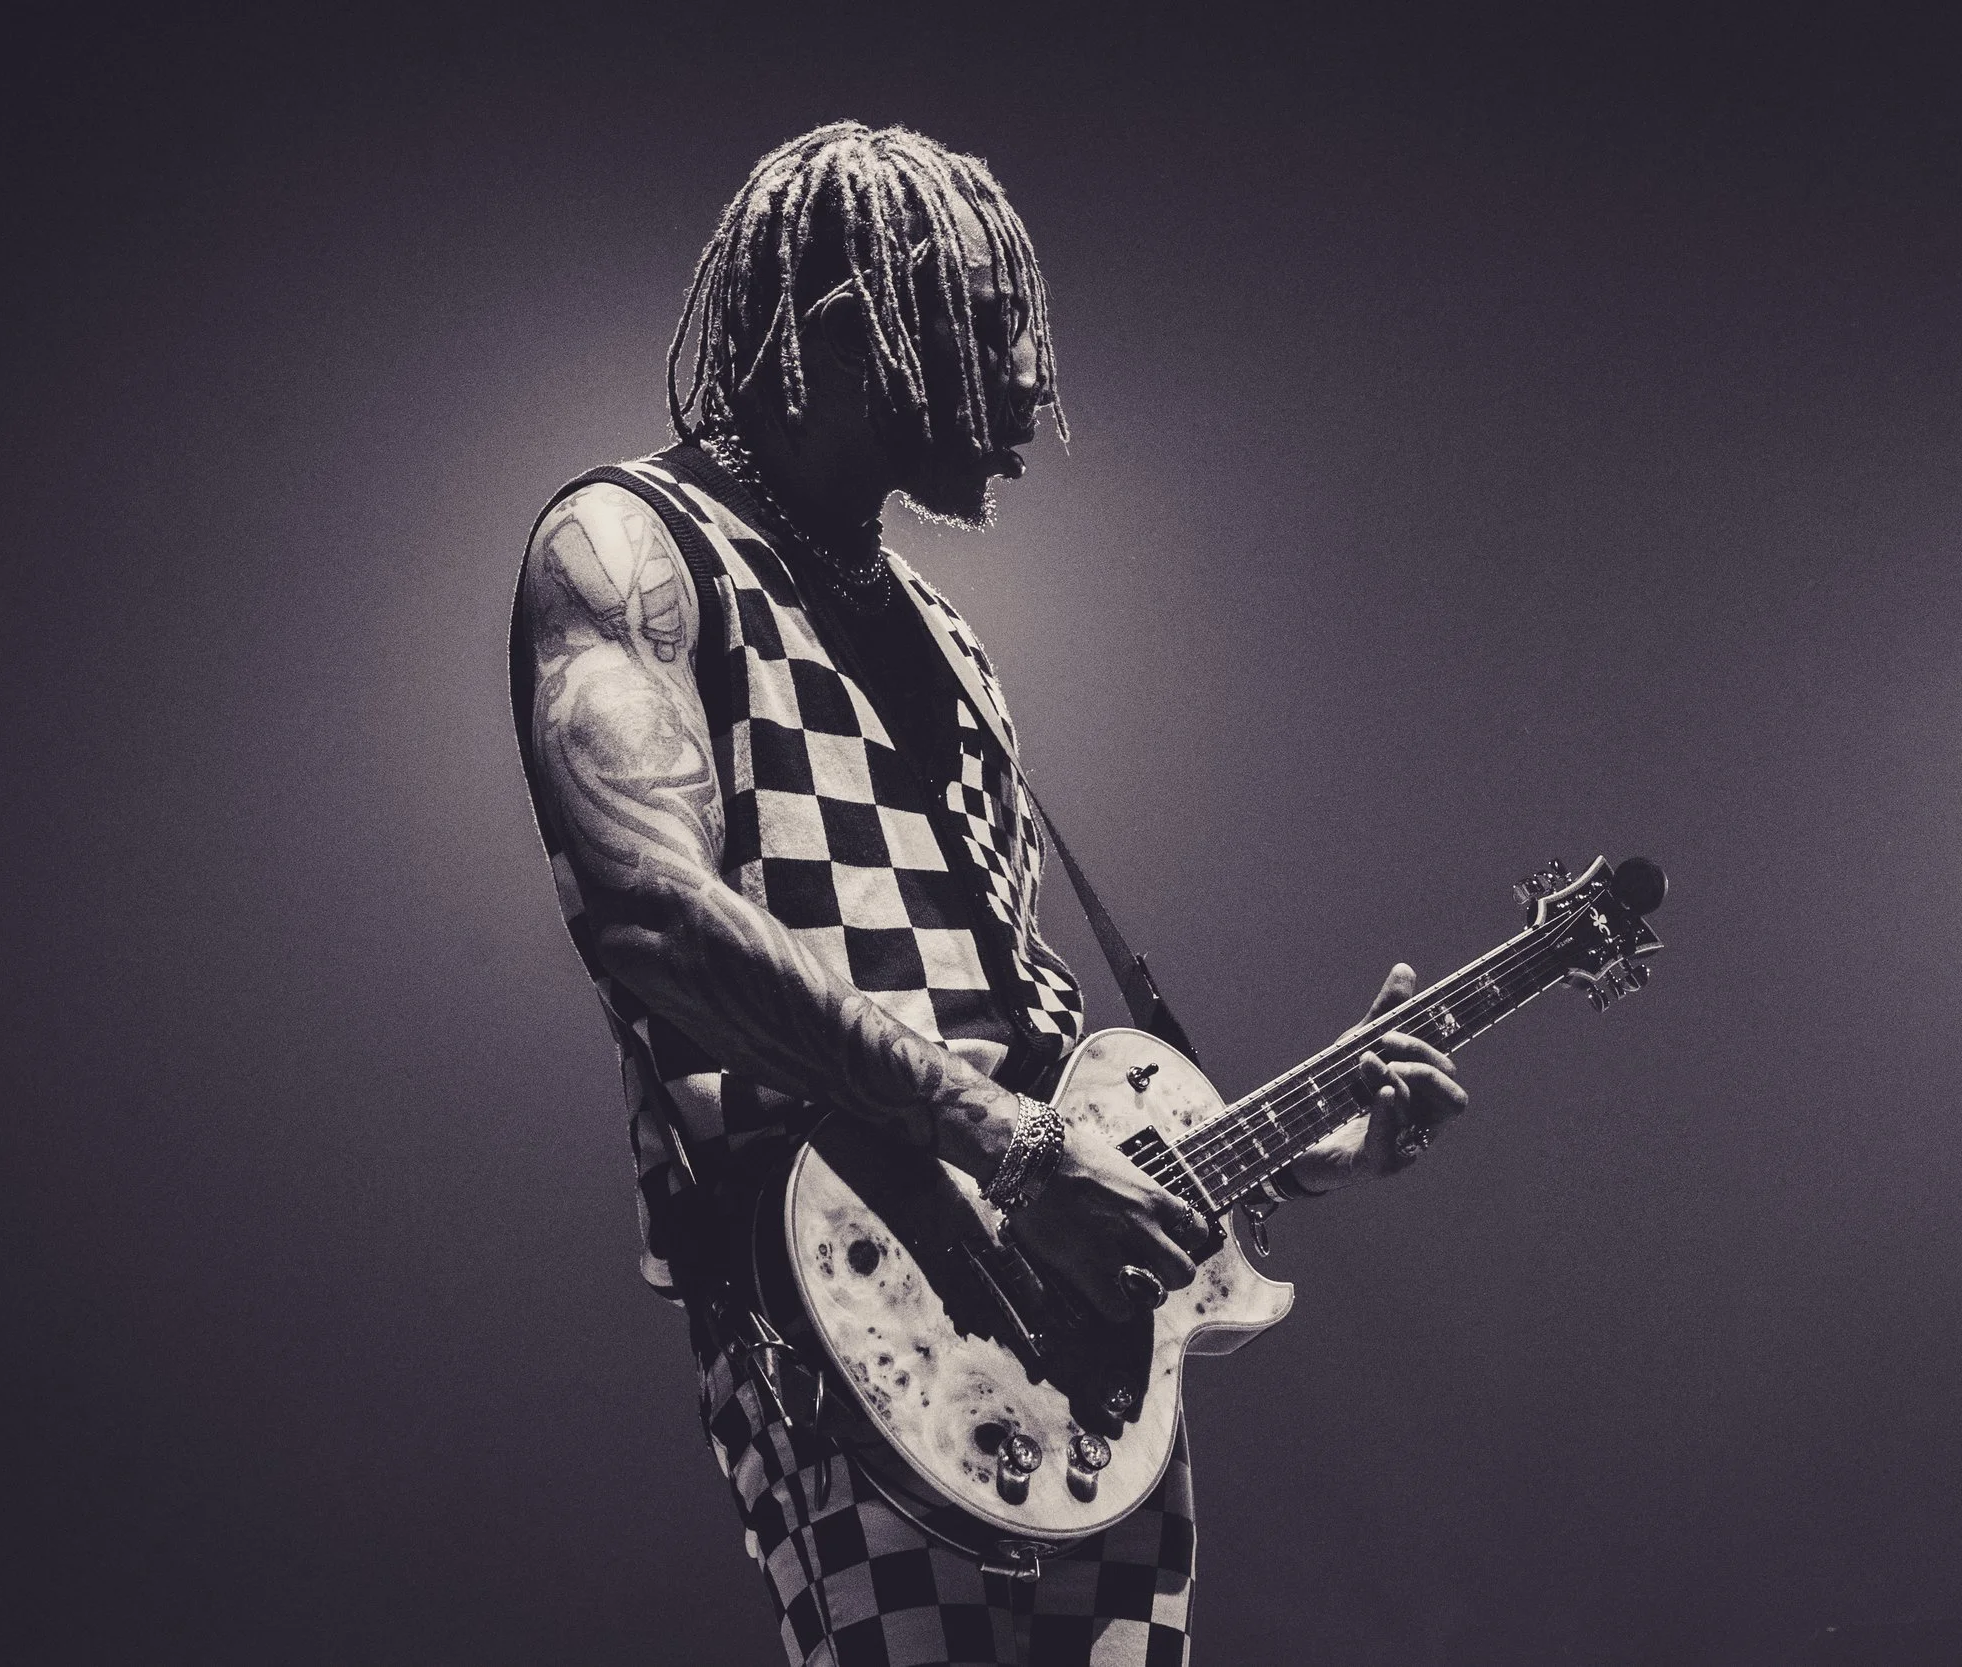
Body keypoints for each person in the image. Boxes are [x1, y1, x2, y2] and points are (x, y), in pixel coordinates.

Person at [511, 122, 1468, 1667]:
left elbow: (1031, 1031)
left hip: (1066, 1329)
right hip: (848, 1290)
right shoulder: (632, 546)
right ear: (838, 324)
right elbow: (650, 916)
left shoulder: (952, 641)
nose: (1028, 392)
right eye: (980, 329)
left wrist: (1288, 1157)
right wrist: (1017, 1153)